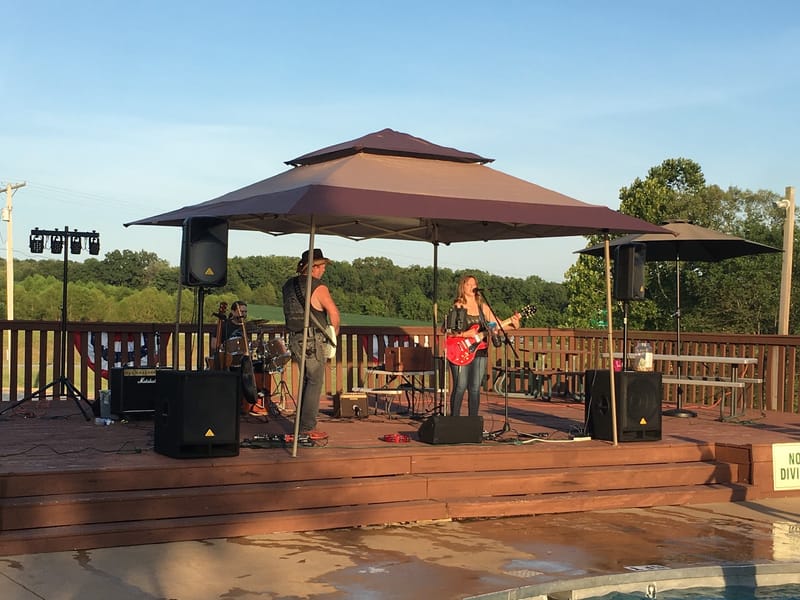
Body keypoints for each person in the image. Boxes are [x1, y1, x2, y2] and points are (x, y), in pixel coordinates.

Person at [282, 248, 340, 436]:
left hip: (295, 338)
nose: (323, 269)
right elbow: (333, 312)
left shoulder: (288, 285)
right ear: (313, 267)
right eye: (321, 266)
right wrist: (333, 336)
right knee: (315, 381)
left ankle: (300, 424)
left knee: (306, 380)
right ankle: (307, 427)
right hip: (312, 340)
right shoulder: (318, 286)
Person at [444, 274, 520, 417]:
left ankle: (473, 421)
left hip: (480, 350)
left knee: (475, 388)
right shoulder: (458, 306)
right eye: (468, 284)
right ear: (462, 287)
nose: (472, 287)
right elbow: (447, 330)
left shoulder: (482, 307)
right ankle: (454, 420)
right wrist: (465, 334)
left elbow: (497, 325)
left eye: (474, 284)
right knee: (460, 386)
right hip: (460, 349)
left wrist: (513, 323)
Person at [211, 300, 268, 417]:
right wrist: (222, 347)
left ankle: (247, 402)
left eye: (245, 312)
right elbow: (213, 344)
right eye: (241, 311)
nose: (244, 314)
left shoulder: (244, 327)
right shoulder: (225, 325)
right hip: (227, 359)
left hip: (242, 360)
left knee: (253, 368)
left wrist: (253, 345)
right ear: (233, 312)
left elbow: (246, 346)